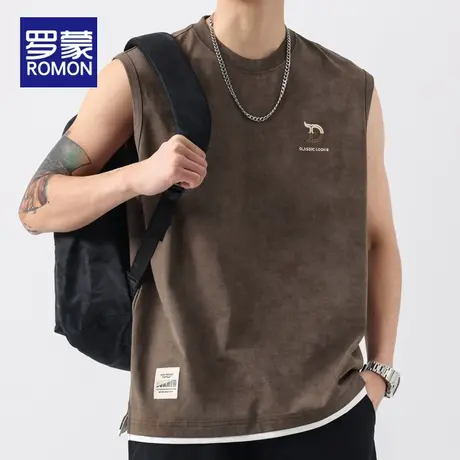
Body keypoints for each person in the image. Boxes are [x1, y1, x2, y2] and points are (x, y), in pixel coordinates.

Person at [18, 1, 402, 459]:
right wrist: (137, 176)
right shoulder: (142, 75)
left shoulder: (348, 89)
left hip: (330, 418)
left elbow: (377, 238)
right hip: (184, 426)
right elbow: (35, 208)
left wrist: (380, 374)